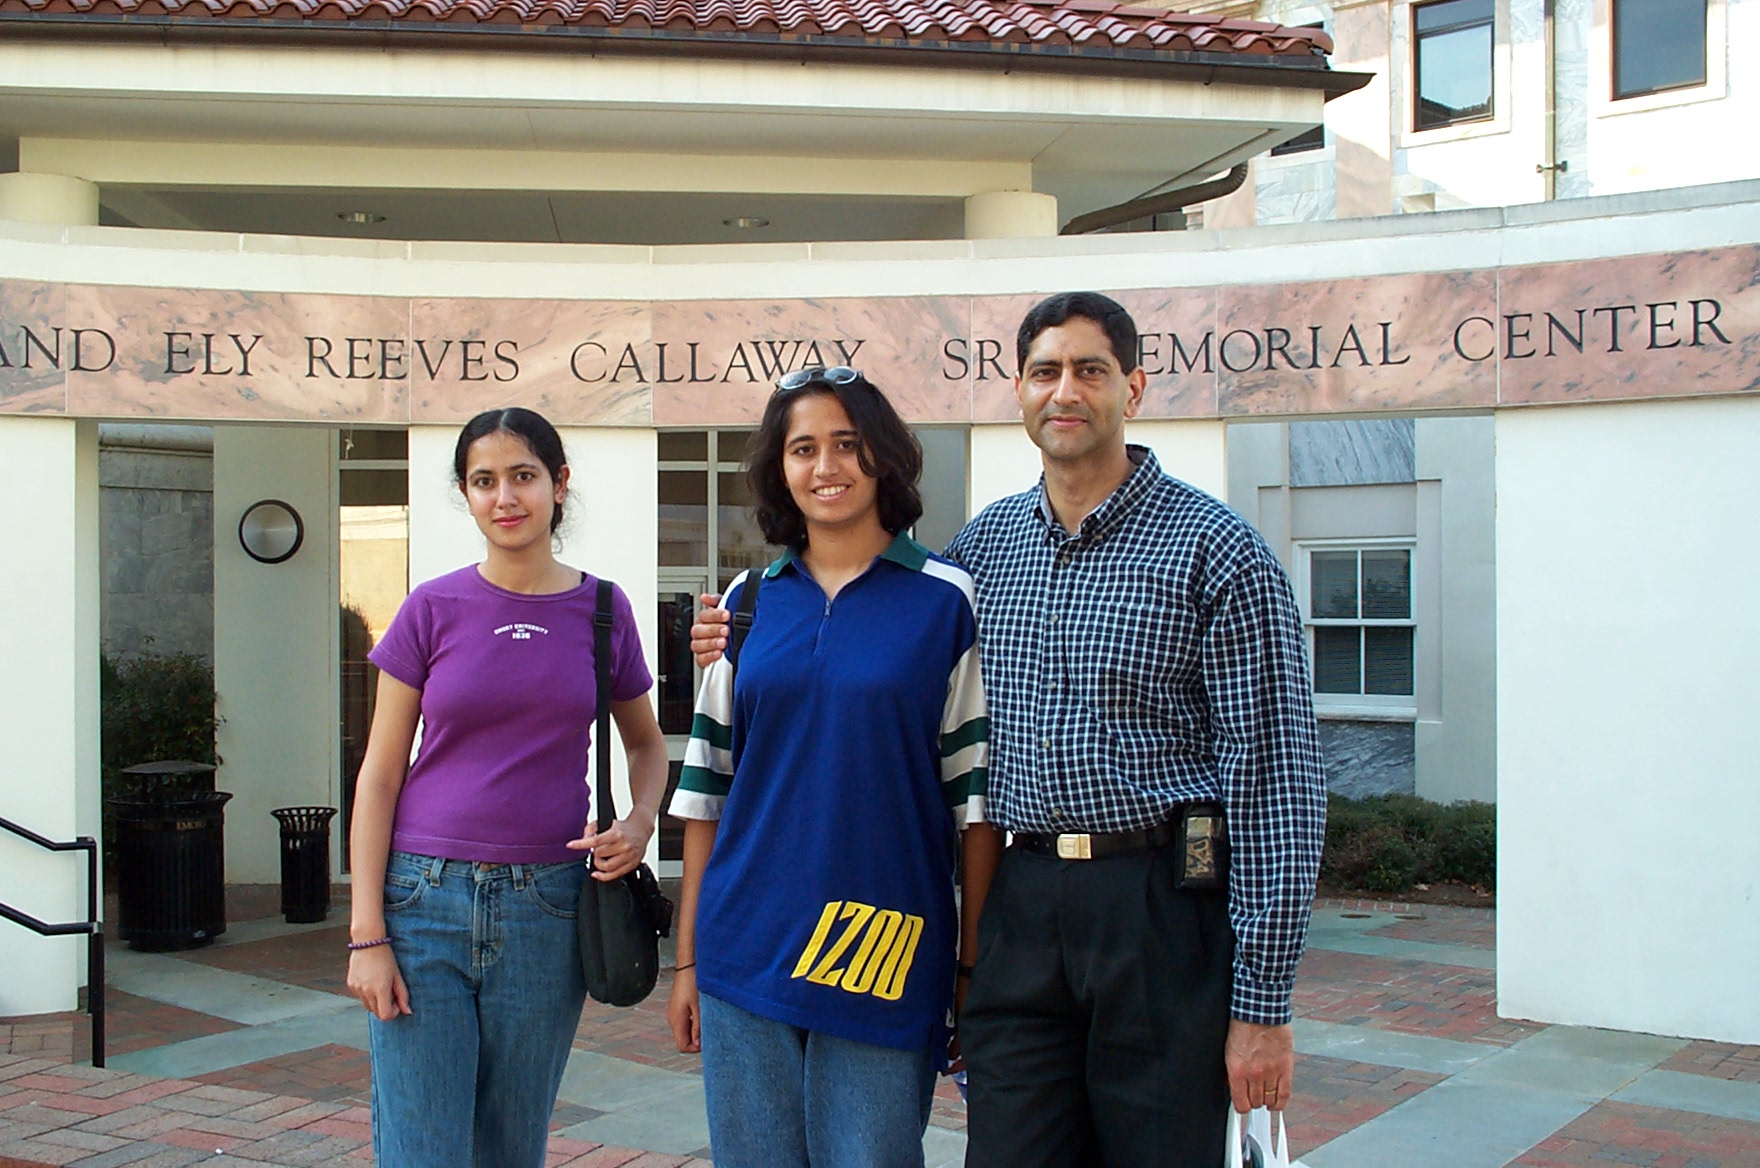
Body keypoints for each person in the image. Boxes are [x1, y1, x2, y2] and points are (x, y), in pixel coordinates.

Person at [692, 295, 1326, 1168]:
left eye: (1091, 370)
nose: (1066, 391)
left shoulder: (1218, 550)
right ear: (1019, 391)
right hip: (1020, 907)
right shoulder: (983, 552)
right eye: (1045, 372)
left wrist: (1263, 1004)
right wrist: (730, 637)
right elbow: (872, 646)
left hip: (1158, 909)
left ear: (1135, 387)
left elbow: (1278, 785)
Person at [666, 366, 1003, 1168]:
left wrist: (970, 968)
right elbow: (706, 793)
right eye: (803, 448)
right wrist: (687, 961)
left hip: (882, 950)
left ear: (883, 455)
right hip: (745, 947)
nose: (827, 467)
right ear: (779, 468)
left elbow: (976, 808)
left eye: (847, 444)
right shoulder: (745, 602)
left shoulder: (947, 600)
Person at [346, 407, 670, 1168]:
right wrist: (367, 935)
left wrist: (640, 822)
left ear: (559, 484)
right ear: (465, 494)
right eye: (483, 481)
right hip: (422, 901)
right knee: (423, 1148)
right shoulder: (431, 608)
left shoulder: (602, 609)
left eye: (523, 476)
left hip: (548, 906)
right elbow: (380, 776)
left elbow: (647, 744)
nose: (505, 498)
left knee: (509, 1146)